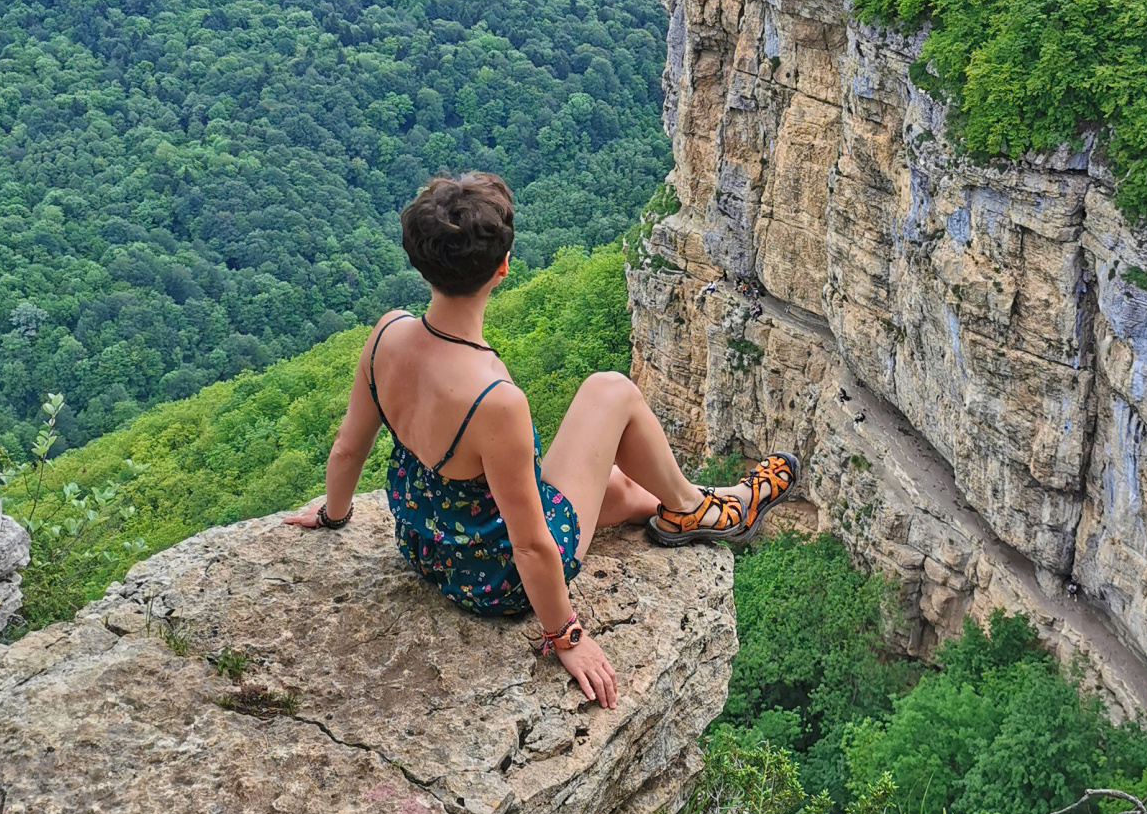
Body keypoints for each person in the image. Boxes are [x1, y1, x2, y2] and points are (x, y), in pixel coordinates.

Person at [286, 172, 799, 709]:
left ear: (419, 261)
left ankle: (688, 508)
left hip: (427, 547)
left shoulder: (386, 333)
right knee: (611, 391)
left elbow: (348, 447)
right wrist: (566, 636)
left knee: (618, 487)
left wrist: (332, 517)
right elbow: (531, 546)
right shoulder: (494, 398)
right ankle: (700, 509)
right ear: (502, 269)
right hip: (497, 577)